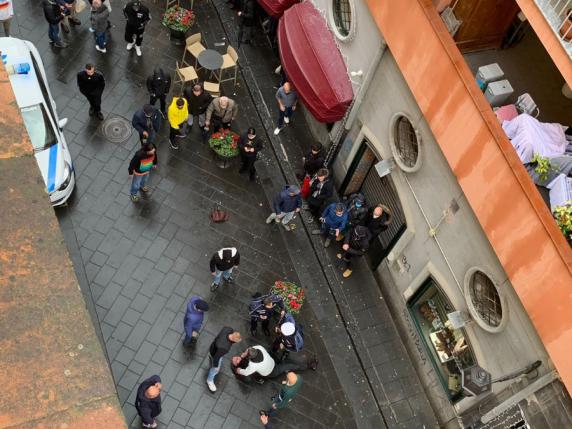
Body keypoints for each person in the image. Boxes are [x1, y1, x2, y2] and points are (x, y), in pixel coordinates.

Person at [232, 345, 317, 382]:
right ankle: (308, 366)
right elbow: (249, 349)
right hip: (272, 366)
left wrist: (238, 370)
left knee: (289, 364)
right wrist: (245, 353)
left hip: (272, 369)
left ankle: (306, 366)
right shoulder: (258, 347)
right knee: (290, 365)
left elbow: (246, 372)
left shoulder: (253, 365)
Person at [207, 327, 242, 392]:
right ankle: (209, 380)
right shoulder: (225, 348)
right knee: (214, 369)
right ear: (234, 340)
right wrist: (216, 366)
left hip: (212, 347)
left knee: (212, 357)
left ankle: (210, 360)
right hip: (215, 354)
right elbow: (216, 358)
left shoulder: (228, 329)